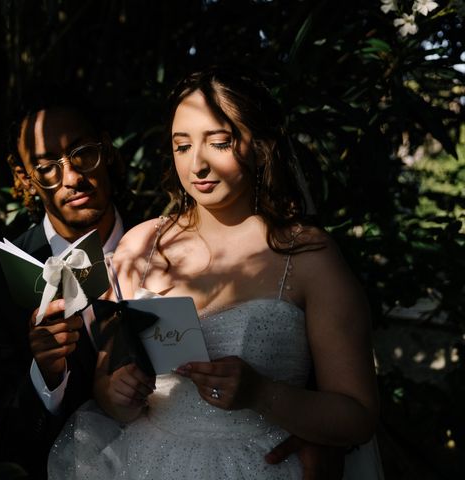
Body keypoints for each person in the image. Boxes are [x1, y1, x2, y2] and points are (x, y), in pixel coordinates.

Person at [47, 65, 383, 479]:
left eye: (219, 143)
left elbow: (358, 415)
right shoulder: (140, 247)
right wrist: (117, 390)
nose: (197, 164)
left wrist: (262, 393)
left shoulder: (308, 256)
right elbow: (108, 382)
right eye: (182, 146)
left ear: (260, 147)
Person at [0, 101, 126, 479]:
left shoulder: (171, 242)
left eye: (82, 153)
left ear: (106, 150)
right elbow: (0, 439)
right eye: (47, 166)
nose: (71, 177)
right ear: (24, 178)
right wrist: (46, 375)